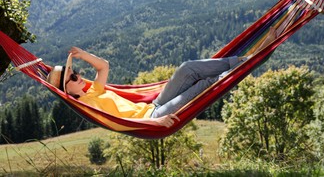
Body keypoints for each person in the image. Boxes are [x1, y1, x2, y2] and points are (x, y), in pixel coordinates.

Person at [47, 47, 246, 128]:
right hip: (151, 118)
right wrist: (156, 123)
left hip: (154, 105)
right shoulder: (88, 107)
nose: (79, 75)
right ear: (68, 92)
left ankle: (240, 60)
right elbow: (120, 123)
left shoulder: (92, 91)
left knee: (187, 69)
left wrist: (84, 54)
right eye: (72, 77)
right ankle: (244, 66)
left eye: (76, 72)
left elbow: (103, 66)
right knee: (204, 85)